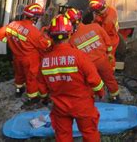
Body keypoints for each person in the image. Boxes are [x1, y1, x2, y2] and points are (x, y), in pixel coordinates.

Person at [38, 14, 105, 142]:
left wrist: (45, 97)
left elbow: (42, 87)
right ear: (69, 34)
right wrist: (100, 93)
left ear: (51, 36)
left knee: (63, 135)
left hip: (60, 106)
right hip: (83, 105)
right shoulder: (79, 56)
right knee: (89, 133)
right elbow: (95, 80)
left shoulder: (45, 61)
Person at [0, 3, 51, 103]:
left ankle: (18, 91)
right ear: (35, 18)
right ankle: (32, 97)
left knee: (19, 75)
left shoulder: (12, 25)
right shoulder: (34, 32)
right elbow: (45, 45)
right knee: (31, 78)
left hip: (16, 57)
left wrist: (10, 41)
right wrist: (49, 38)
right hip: (30, 59)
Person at [66, 7, 121, 103]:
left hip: (88, 66)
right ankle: (116, 98)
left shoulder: (71, 40)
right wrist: (108, 56)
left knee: (91, 84)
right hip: (103, 60)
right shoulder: (95, 27)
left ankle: (95, 99)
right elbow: (108, 43)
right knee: (110, 79)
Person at [88, 0, 119, 70]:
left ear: (98, 10)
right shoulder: (109, 10)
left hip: (110, 39)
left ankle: (111, 69)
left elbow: (102, 34)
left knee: (109, 55)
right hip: (111, 35)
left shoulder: (108, 21)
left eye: (95, 11)